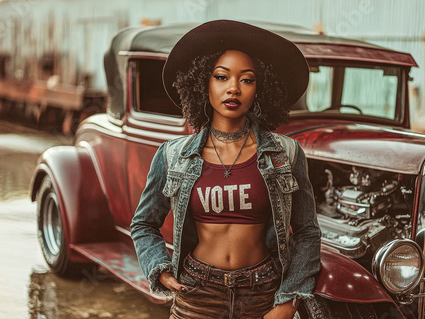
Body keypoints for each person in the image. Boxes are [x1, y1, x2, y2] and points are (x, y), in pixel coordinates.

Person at [130, 20, 321, 319]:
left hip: (263, 293)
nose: (233, 88)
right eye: (221, 77)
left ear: (260, 88)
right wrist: (160, 270)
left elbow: (308, 232)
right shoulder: (172, 155)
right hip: (197, 293)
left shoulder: (286, 153)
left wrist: (290, 300)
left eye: (247, 80)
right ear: (203, 83)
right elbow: (143, 224)